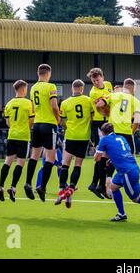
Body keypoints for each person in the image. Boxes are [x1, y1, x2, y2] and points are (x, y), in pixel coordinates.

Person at [95, 78, 140, 198]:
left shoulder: (113, 95)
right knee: (131, 159)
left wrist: (105, 113)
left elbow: (99, 105)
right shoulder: (135, 100)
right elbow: (137, 120)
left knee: (105, 156)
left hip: (112, 131)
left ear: (124, 86)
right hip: (126, 132)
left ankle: (105, 182)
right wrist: (132, 131)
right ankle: (131, 185)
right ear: (133, 88)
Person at [24, 64, 60, 201]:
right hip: (49, 124)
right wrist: (57, 119)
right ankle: (42, 186)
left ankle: (28, 182)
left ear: (38, 73)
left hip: (37, 124)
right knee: (51, 158)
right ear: (48, 73)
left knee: (34, 156)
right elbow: (54, 105)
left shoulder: (33, 88)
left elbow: (33, 107)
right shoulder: (50, 86)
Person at [54, 79, 92, 208]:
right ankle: (71, 189)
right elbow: (92, 117)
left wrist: (69, 126)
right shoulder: (88, 100)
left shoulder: (64, 103)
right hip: (83, 137)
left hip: (70, 136)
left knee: (65, 165)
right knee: (78, 165)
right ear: (82, 89)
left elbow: (62, 121)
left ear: (72, 88)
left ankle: (61, 191)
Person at [0, 80, 34, 202]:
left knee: (7, 161)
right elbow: (31, 121)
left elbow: (7, 122)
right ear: (23, 89)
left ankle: (0, 186)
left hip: (11, 135)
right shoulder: (29, 103)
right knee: (20, 163)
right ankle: (12, 187)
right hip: (23, 137)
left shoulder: (9, 104)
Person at [87, 67, 113, 199]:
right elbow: (104, 110)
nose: (96, 82)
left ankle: (97, 184)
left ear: (102, 77)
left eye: (97, 80)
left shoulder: (108, 85)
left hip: (108, 124)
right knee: (101, 156)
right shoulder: (93, 93)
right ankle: (99, 185)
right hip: (100, 125)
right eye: (93, 81)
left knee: (105, 156)